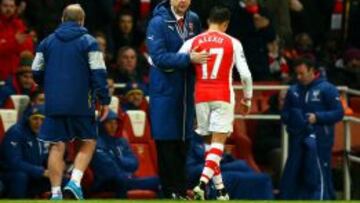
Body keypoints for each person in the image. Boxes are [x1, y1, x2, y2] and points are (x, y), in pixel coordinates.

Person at [31, 4, 110, 200]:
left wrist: (48, 83)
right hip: (82, 103)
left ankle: (56, 193)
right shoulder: (90, 43)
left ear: (62, 20)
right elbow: (99, 72)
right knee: (89, 141)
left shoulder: (46, 43)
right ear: (82, 21)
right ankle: (74, 182)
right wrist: (104, 99)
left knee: (56, 146)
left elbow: (35, 71)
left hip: (54, 103)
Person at [178, 6, 253, 200]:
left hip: (200, 96)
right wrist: (248, 97)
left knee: (210, 146)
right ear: (226, 24)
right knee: (218, 143)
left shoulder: (193, 41)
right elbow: (245, 75)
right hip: (222, 95)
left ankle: (221, 191)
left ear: (208, 21)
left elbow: (177, 62)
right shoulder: (233, 42)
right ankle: (201, 185)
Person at [146, 0, 207, 199]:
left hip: (187, 94)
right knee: (167, 145)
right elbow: (158, 57)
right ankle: (170, 192)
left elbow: (200, 53)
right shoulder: (158, 22)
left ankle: (180, 191)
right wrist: (188, 59)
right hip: (165, 92)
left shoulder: (194, 20)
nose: (183, 1)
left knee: (184, 144)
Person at [280, 57, 344, 199]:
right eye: (296, 74)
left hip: (320, 140)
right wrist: (292, 118)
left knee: (320, 174)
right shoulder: (293, 90)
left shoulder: (327, 89)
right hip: (297, 139)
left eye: (302, 73)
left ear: (312, 71)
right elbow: (284, 114)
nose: (299, 77)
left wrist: (318, 117)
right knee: (295, 172)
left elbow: (339, 113)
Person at [90, 110, 159, 197]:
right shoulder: (97, 142)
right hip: (106, 182)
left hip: (127, 179)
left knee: (159, 181)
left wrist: (117, 158)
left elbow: (134, 163)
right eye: (109, 123)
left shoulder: (122, 141)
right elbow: (106, 167)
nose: (113, 126)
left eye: (115, 123)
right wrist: (123, 168)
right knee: (120, 179)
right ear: (102, 125)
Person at [0, 105, 49, 198]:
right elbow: (13, 163)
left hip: (34, 172)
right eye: (35, 119)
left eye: (42, 119)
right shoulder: (15, 132)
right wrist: (41, 171)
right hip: (9, 174)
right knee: (20, 176)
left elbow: (46, 158)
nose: (39, 123)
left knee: (64, 179)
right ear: (28, 119)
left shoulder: (45, 133)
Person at [0, 0, 34, 80]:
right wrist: (15, 42)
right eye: (5, 6)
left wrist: (7, 44)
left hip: (16, 76)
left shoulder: (19, 24)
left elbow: (28, 48)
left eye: (11, 6)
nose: (8, 9)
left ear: (15, 8)